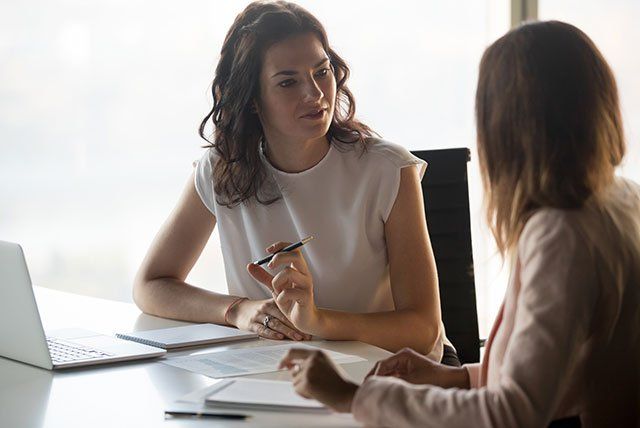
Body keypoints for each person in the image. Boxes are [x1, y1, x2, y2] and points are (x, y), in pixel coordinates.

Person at [279, 20, 640, 427]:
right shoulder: (623, 200)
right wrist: (459, 377)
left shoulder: (561, 234)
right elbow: (567, 376)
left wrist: (353, 396)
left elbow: (510, 414)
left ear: (505, 126)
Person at [133, 0, 455, 361]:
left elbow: (424, 330)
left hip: (392, 375)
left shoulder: (387, 169)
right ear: (252, 98)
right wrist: (238, 310)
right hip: (280, 375)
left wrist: (319, 321)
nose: (316, 94)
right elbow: (150, 285)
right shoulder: (223, 169)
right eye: (288, 82)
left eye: (322, 72)